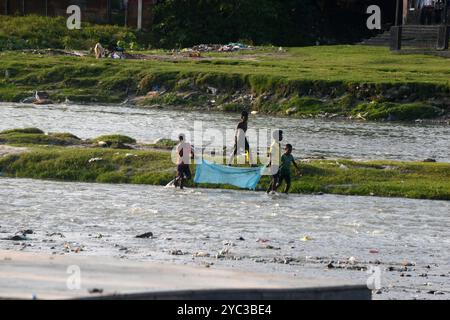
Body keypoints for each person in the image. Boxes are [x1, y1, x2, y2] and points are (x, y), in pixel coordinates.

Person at [266, 130, 283, 194]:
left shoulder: (278, 144)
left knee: (274, 179)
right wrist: (270, 163)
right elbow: (270, 154)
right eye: (280, 135)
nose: (282, 137)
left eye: (281, 135)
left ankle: (268, 191)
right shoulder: (273, 145)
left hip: (277, 164)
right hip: (274, 164)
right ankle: (273, 192)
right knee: (275, 179)